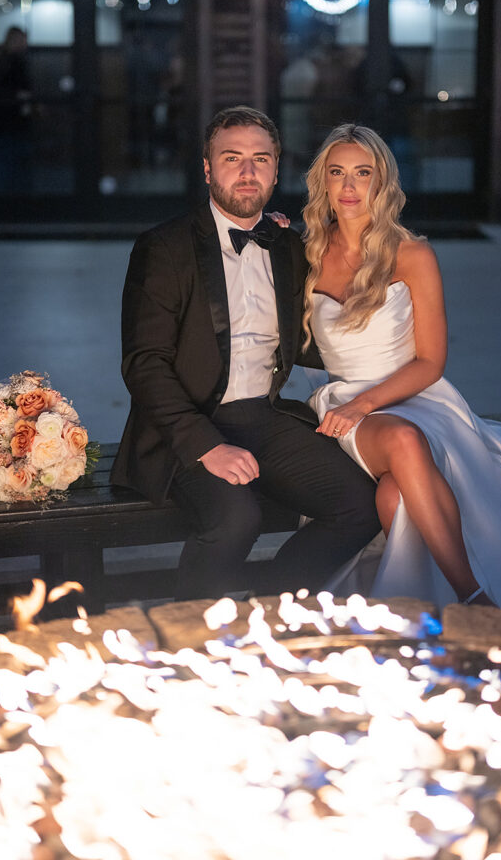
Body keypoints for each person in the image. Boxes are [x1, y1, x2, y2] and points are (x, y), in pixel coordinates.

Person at [301, 122, 501, 624]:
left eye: (362, 173)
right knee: (406, 445)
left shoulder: (412, 254)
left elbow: (431, 361)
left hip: (416, 398)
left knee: (396, 494)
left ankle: (423, 609)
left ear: (382, 181)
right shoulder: (305, 252)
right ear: (322, 182)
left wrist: (366, 404)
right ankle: (475, 597)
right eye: (337, 173)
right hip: (344, 401)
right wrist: (353, 404)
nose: (348, 187)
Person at [111, 106, 381, 601]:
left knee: (361, 506)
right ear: (208, 169)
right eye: (232, 158)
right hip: (185, 425)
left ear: (277, 170)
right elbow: (144, 364)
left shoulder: (288, 246)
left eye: (261, 159)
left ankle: (270, 610)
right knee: (238, 519)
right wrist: (206, 445)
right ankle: (190, 633)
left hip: (264, 416)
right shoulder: (163, 248)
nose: (248, 171)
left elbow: (317, 336)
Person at [0, 26, 33, 195]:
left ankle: (13, 199)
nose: (25, 43)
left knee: (13, 164)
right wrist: (19, 96)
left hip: (10, 121)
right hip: (7, 121)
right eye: (21, 39)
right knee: (8, 164)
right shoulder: (8, 61)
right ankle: (11, 199)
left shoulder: (8, 60)